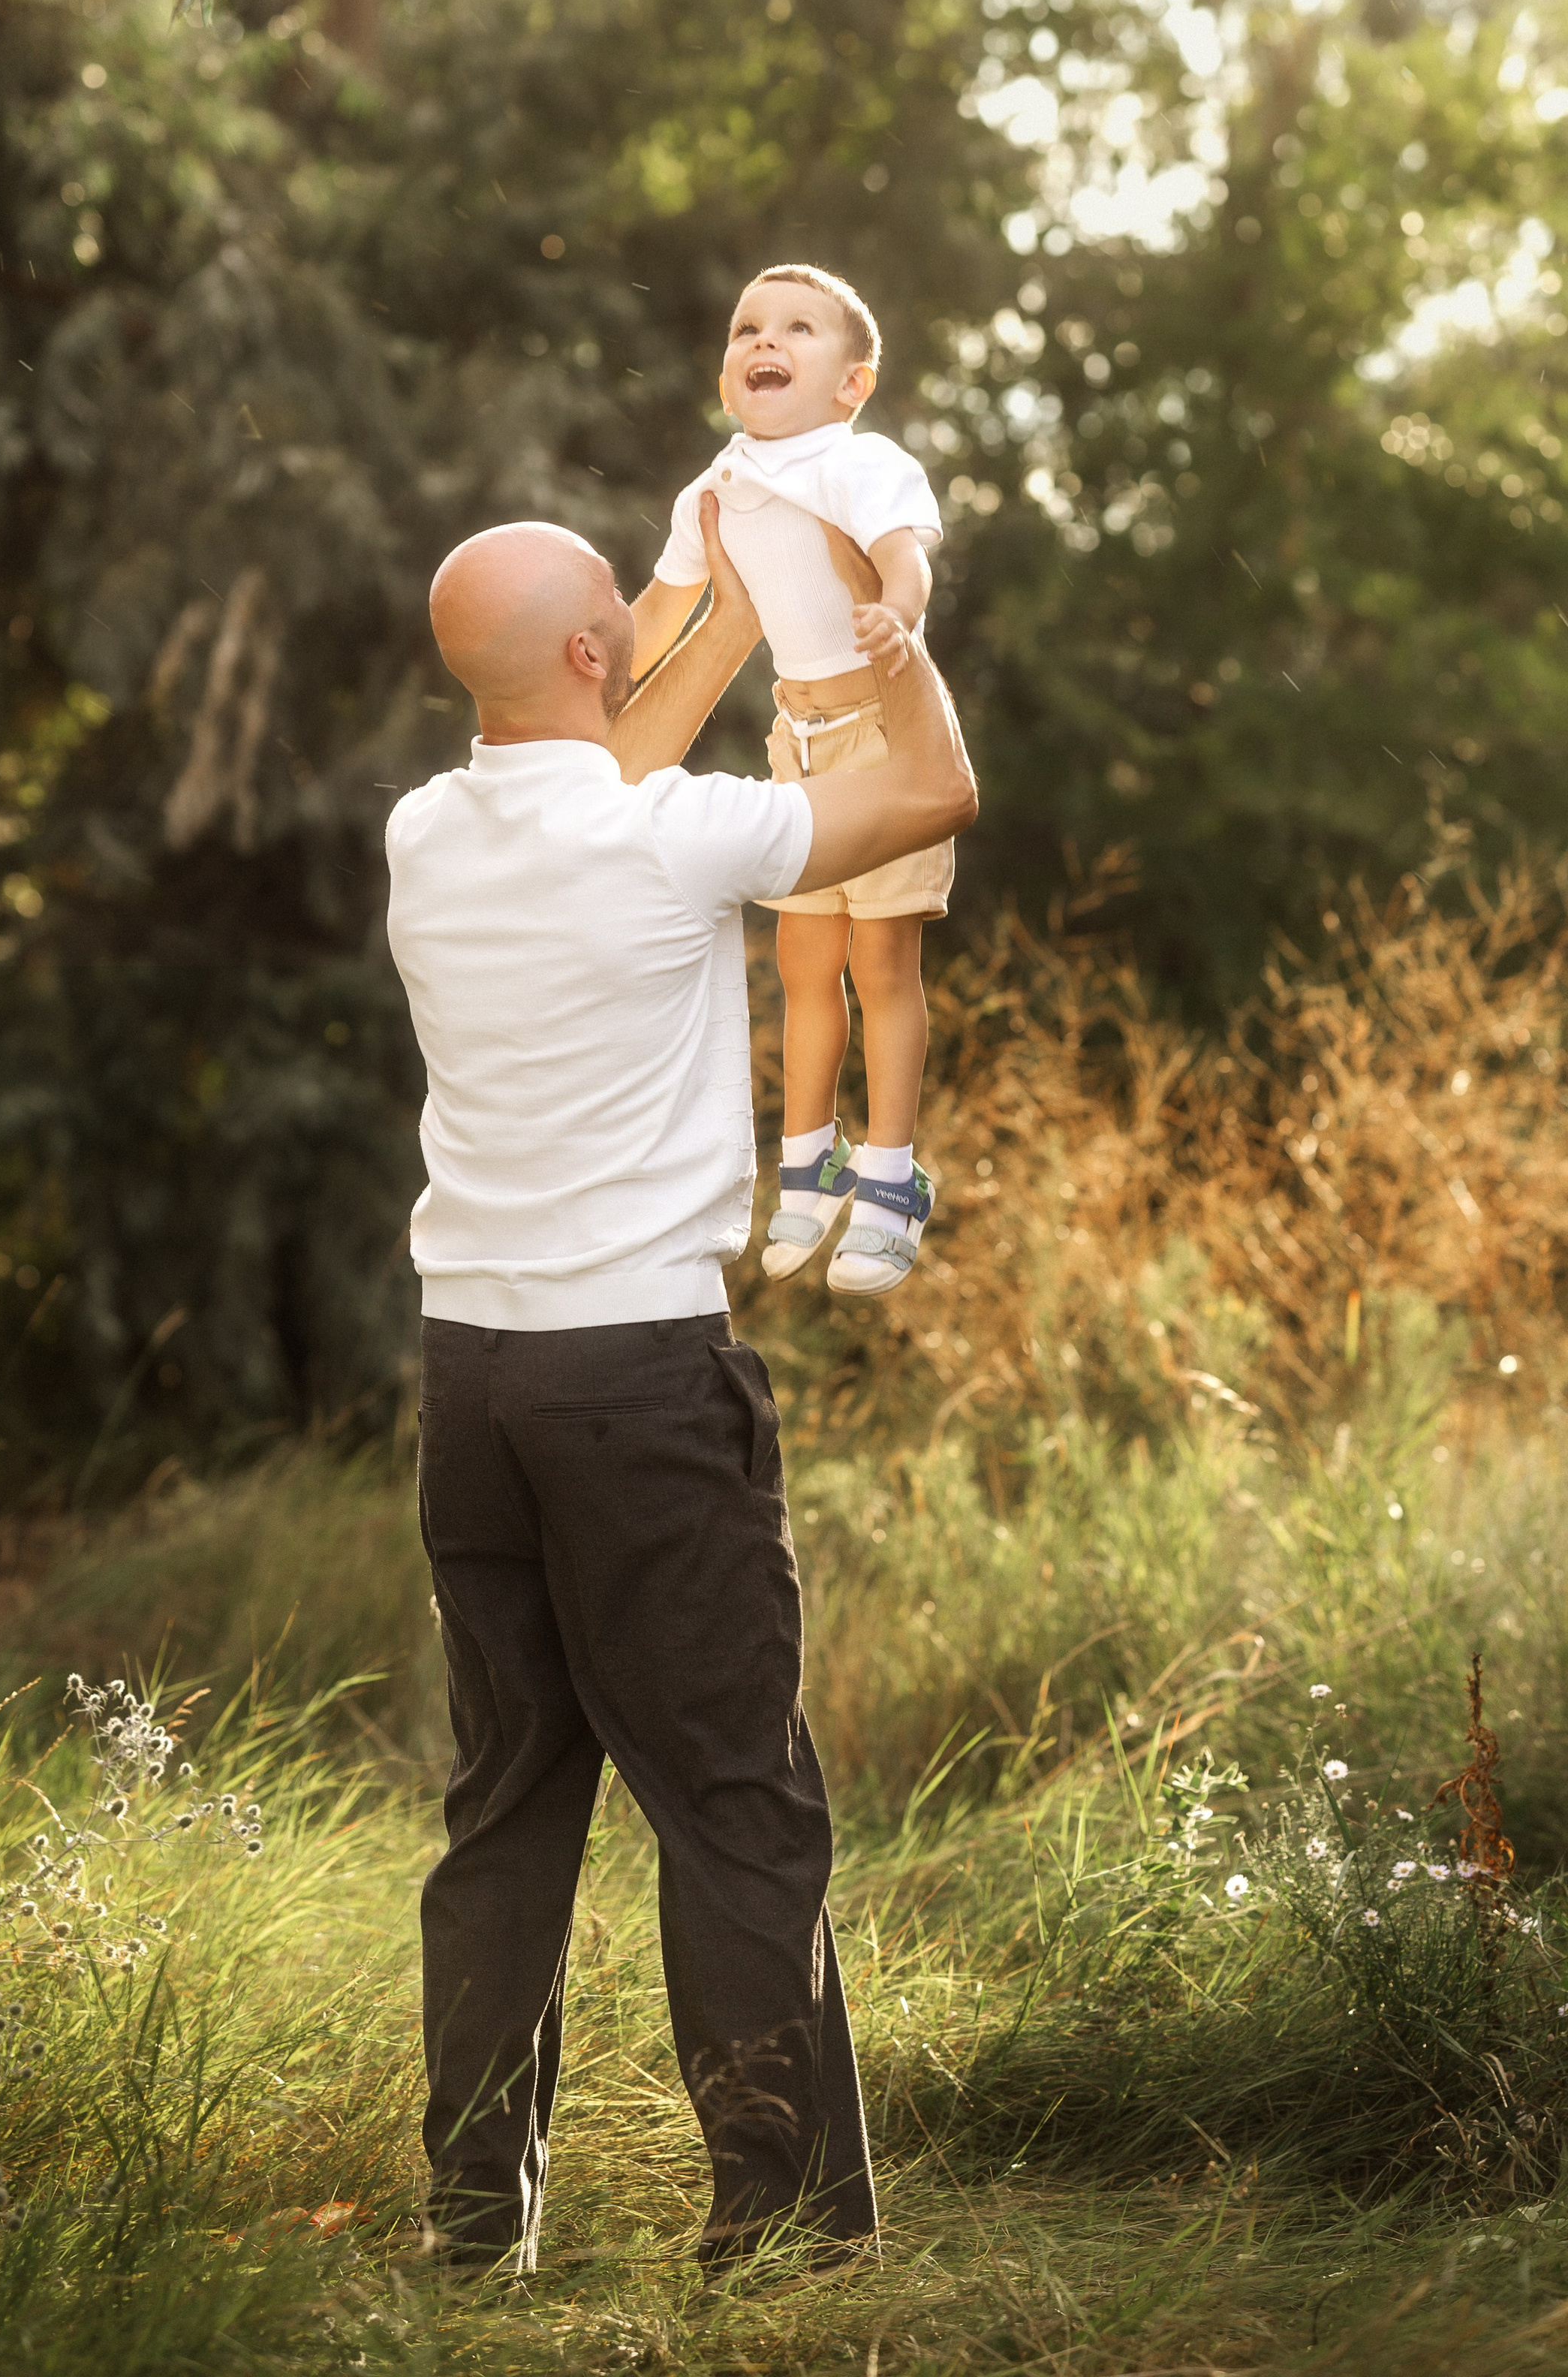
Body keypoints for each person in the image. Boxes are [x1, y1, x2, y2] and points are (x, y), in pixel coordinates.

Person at [384, 490, 977, 2278]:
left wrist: (701, 595)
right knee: (732, 1800)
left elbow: (598, 746)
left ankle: (476, 2227)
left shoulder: (426, 831)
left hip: (471, 1387)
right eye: (618, 625)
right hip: (635, 1385)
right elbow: (930, 795)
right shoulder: (674, 840)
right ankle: (782, 2229)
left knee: (502, 1814)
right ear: (589, 653)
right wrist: (889, 640)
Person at [630, 264, 951, 1298]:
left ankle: (893, 1179)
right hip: (798, 739)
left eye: (798, 329)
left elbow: (909, 561)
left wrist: (895, 613)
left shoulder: (862, 465)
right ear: (728, 372)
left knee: (882, 963)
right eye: (747, 329)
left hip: (880, 734)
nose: (765, 340)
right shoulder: (712, 493)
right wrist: (588, 690)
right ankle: (807, 1158)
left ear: (851, 384)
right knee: (804, 959)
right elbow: (658, 610)